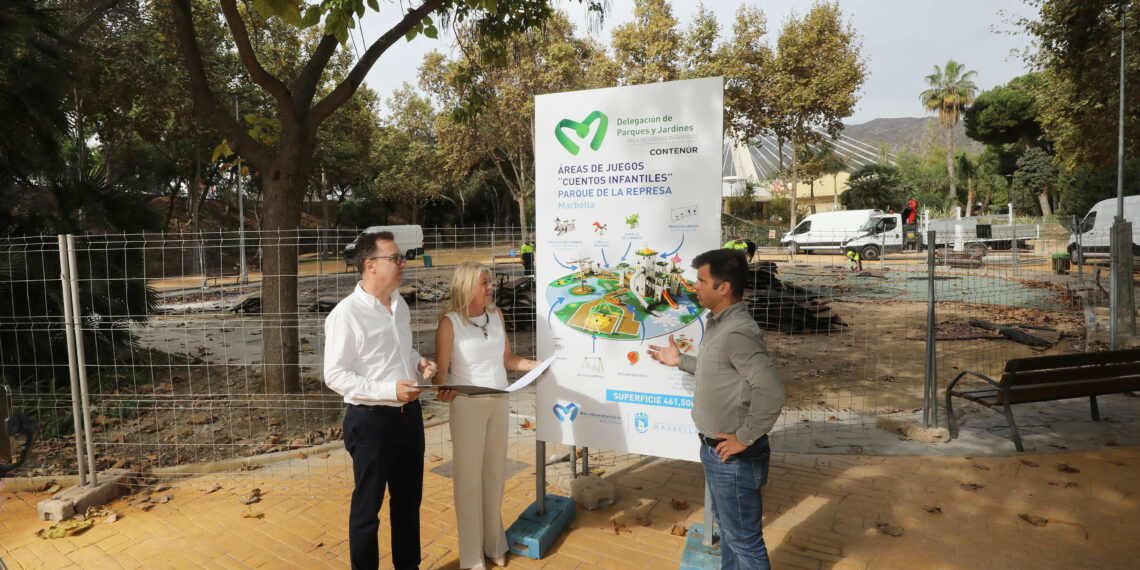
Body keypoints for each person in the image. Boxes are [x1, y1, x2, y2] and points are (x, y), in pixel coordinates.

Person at [647, 248, 786, 569]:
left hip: (733, 457)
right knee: (732, 535)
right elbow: (721, 372)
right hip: (717, 453)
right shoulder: (721, 323)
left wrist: (745, 437)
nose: (694, 286)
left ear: (723, 288)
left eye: (701, 280)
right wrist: (680, 360)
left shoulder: (737, 332)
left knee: (745, 543)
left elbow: (771, 392)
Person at [324, 230, 438, 570]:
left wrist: (418, 361)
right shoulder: (347, 315)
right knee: (367, 509)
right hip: (371, 422)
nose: (403, 263)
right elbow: (336, 375)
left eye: (402, 257)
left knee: (407, 504)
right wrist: (390, 390)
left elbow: (397, 348)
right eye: (396, 258)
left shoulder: (399, 303)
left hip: (409, 418)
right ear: (370, 265)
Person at [433, 262, 543, 569]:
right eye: (484, 282)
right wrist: (439, 385)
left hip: (499, 403)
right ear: (468, 286)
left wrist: (536, 365)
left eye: (490, 282)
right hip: (467, 406)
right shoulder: (449, 323)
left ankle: (495, 543)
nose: (490, 286)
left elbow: (507, 359)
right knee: (467, 481)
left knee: (495, 475)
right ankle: (470, 556)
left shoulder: (496, 316)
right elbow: (440, 376)